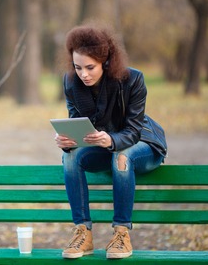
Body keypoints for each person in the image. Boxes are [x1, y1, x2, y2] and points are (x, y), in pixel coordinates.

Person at [55, 22, 167, 260]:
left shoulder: (133, 80)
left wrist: (111, 139)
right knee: (70, 157)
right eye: (77, 67)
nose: (83, 74)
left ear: (105, 63)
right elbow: (77, 124)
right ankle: (82, 232)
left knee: (122, 154)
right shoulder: (71, 82)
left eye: (90, 67)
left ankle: (122, 233)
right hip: (105, 146)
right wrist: (67, 140)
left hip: (144, 145)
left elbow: (134, 131)